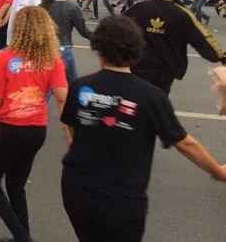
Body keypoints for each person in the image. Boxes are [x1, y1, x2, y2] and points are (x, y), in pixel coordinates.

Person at [60, 15, 226, 242]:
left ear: (98, 47)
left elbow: (70, 125)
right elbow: (185, 143)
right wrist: (217, 170)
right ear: (137, 50)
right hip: (123, 196)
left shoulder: (80, 86)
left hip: (76, 187)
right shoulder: (151, 96)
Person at [0, 6, 68, 242]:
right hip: (36, 129)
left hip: (10, 129)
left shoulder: (5, 57)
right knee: (16, 185)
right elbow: (62, 94)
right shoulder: (52, 59)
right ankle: (22, 235)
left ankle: (23, 237)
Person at [125, 0, 226, 94]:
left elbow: (115, 30)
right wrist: (220, 56)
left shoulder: (138, 8)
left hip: (135, 66)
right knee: (156, 105)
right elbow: (202, 38)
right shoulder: (182, 13)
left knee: (133, 101)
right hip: (164, 71)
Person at [41, 0, 92, 84]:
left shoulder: (42, 6)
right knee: (71, 84)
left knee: (45, 84)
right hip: (63, 48)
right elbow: (84, 31)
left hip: (44, 49)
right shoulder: (72, 7)